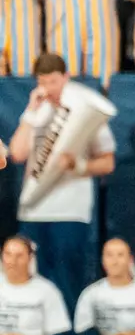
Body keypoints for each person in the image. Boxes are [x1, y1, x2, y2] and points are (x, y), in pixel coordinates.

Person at [8, 52, 116, 308]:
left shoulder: (84, 109)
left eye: (53, 82)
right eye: (42, 82)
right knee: (30, 280)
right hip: (33, 210)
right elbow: (17, 153)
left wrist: (77, 165)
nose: (48, 89)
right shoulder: (37, 110)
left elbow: (108, 162)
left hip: (70, 211)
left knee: (67, 281)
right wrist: (30, 111)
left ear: (66, 77)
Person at [0, 236, 73, 335]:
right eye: (8, 254)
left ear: (30, 258)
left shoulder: (47, 290)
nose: (12, 261)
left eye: (19, 256)